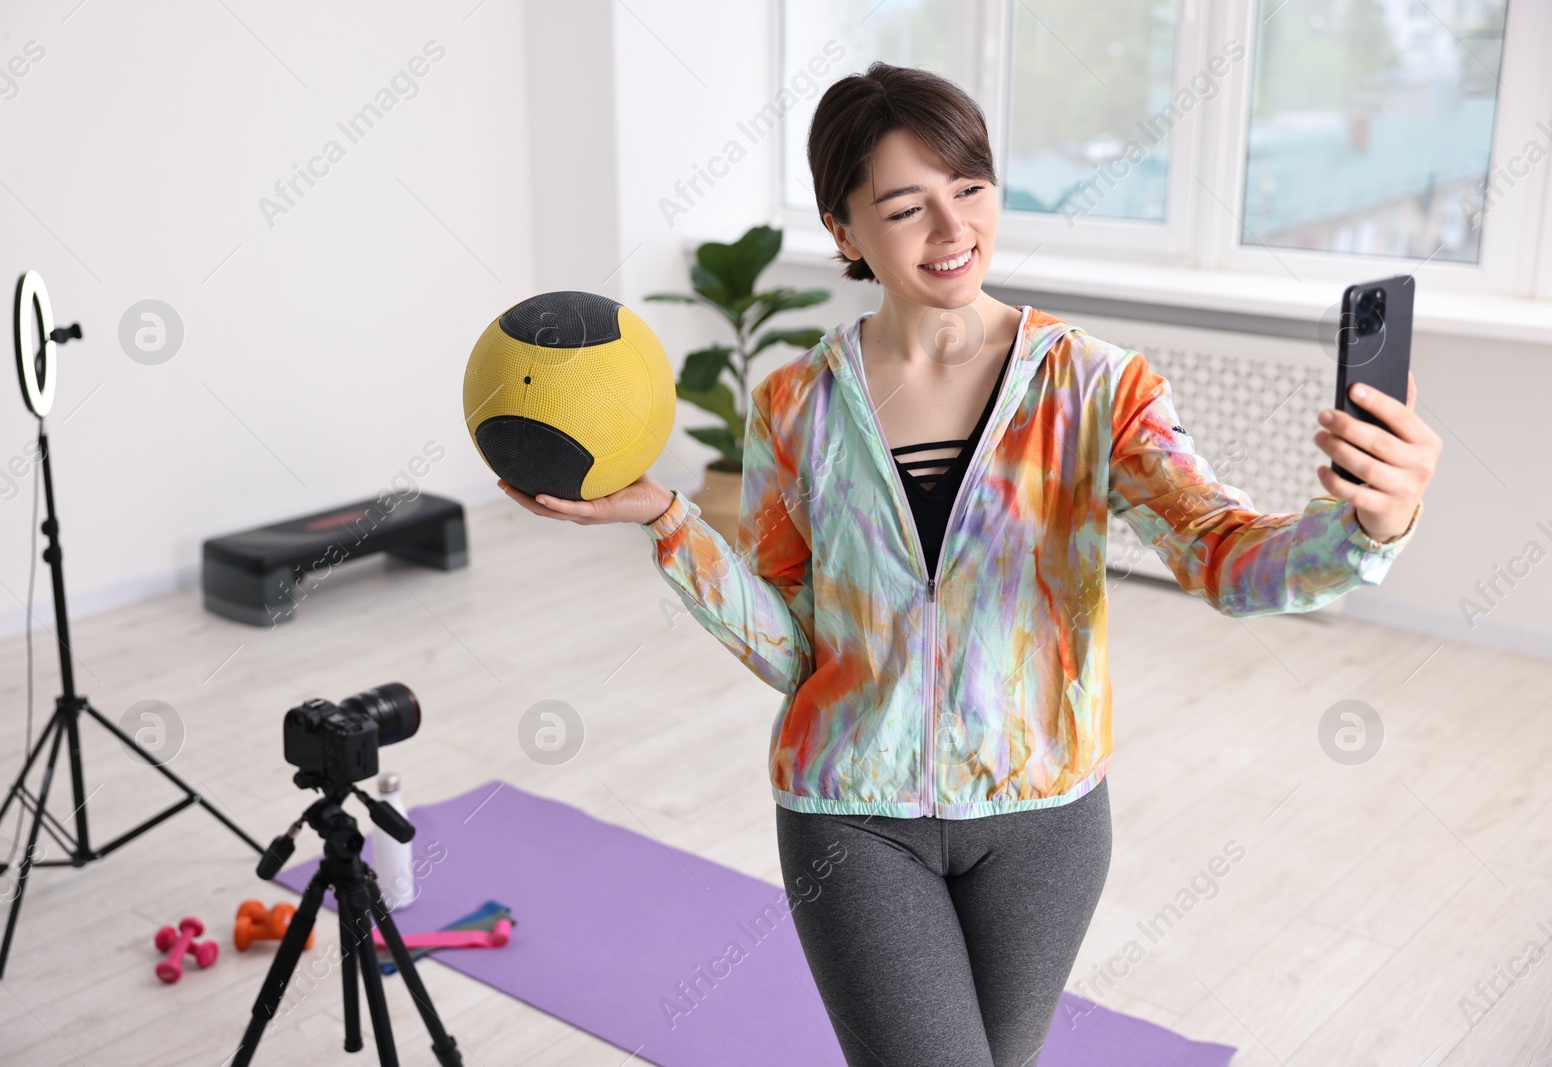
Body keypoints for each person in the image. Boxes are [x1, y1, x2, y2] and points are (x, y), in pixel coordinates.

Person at [498, 61, 1439, 1067]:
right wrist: (669, 520)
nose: (953, 232)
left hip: (1046, 820)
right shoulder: (791, 406)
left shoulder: (1093, 386)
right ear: (843, 229)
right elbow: (792, 643)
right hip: (849, 816)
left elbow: (1219, 553)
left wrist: (1368, 527)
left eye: (971, 189)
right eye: (905, 206)